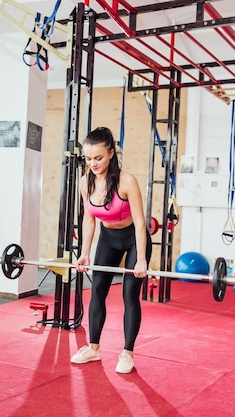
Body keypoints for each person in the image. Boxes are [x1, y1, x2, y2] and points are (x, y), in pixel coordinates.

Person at [70, 127, 152, 374]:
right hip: (108, 238)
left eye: (99, 158)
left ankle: (127, 353)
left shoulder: (127, 181)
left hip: (133, 238)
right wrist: (84, 252)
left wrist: (141, 260)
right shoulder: (85, 182)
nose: (93, 163)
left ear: (111, 154)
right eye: (88, 158)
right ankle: (93, 348)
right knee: (97, 290)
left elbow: (140, 222)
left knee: (129, 293)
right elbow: (89, 220)